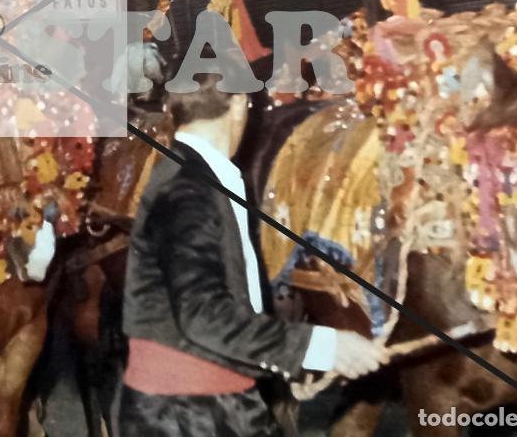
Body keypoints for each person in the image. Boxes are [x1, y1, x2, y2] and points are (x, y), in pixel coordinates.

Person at [118, 73, 386, 436]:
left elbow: (225, 305)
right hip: (186, 413)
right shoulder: (189, 192)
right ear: (238, 104)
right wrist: (319, 345)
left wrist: (287, 365)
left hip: (199, 406)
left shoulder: (190, 176)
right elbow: (202, 315)